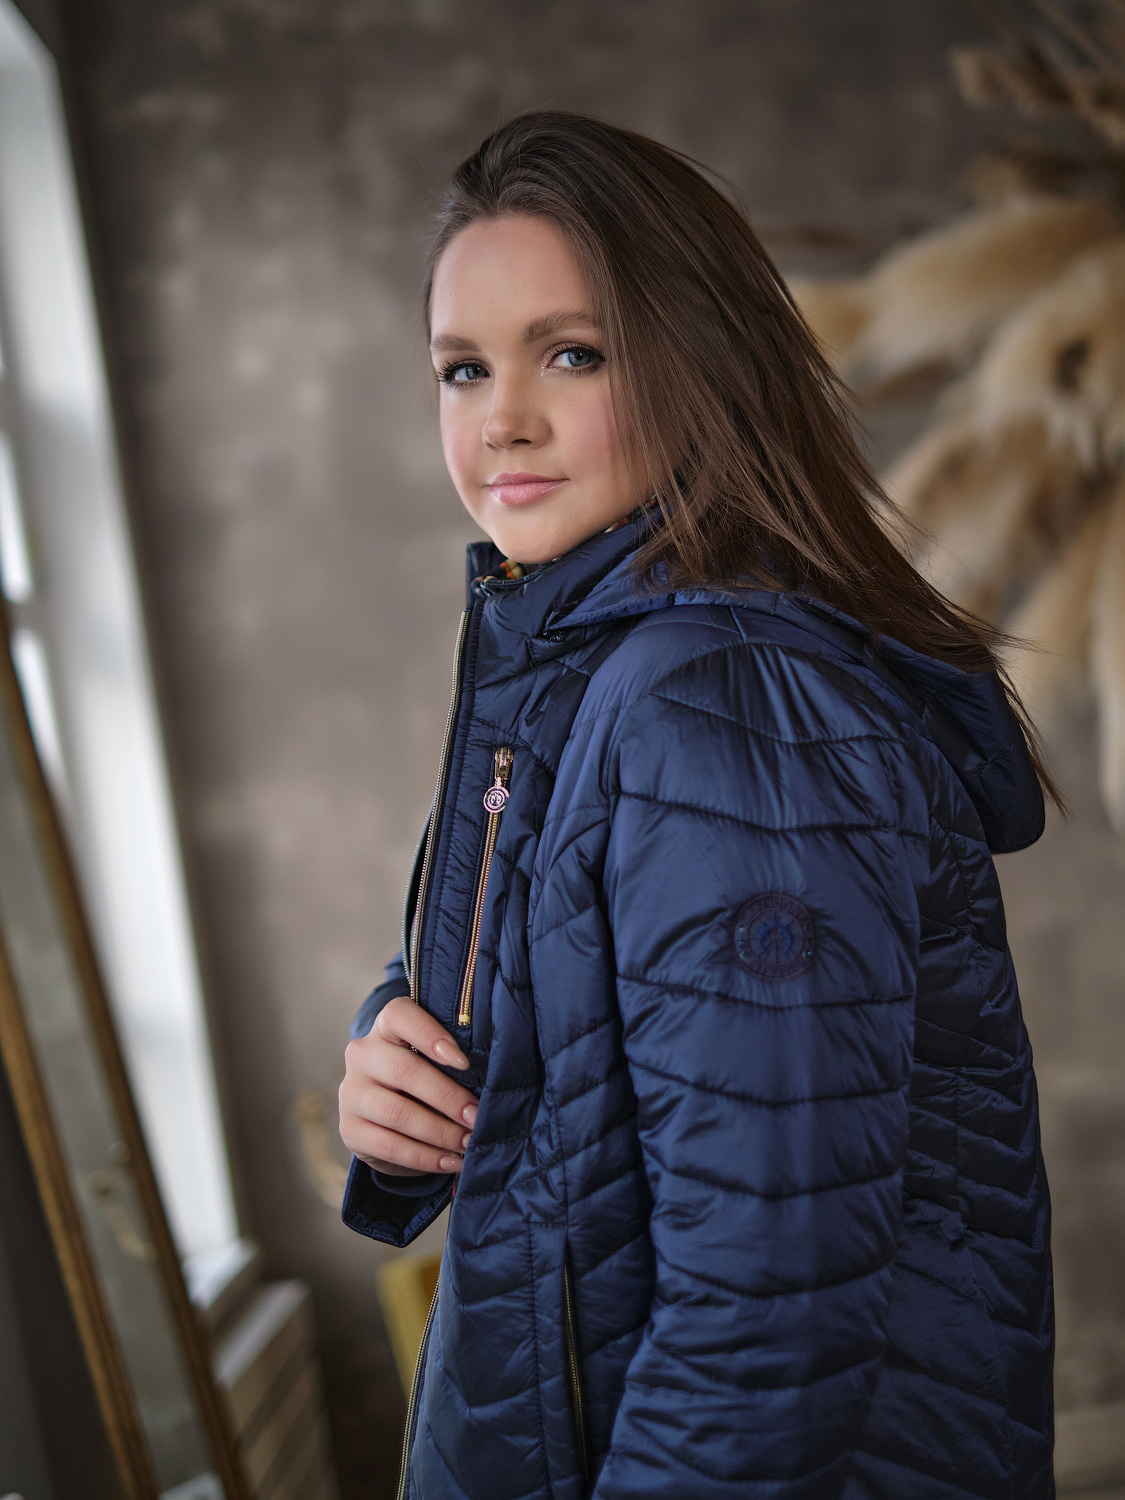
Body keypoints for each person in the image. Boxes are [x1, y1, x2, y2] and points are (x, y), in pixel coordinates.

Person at [338, 112, 1055, 1500]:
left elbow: (764, 1317)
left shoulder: (725, 711)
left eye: (572, 353)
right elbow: (587, 1009)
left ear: (696, 360)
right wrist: (399, 1064)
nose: (502, 418)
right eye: (464, 368)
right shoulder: (597, 668)